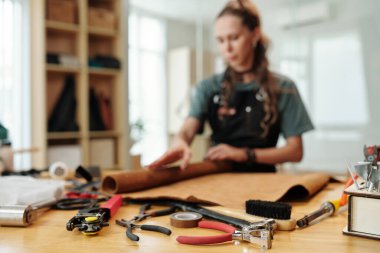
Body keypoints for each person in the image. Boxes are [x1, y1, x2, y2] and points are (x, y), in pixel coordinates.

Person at [148, 0, 314, 172]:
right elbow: (187, 131)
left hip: (265, 181)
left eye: (234, 38)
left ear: (255, 35)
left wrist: (243, 154)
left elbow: (295, 152)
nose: (226, 48)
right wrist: (179, 143)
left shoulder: (284, 87)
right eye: (220, 40)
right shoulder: (208, 87)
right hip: (217, 176)